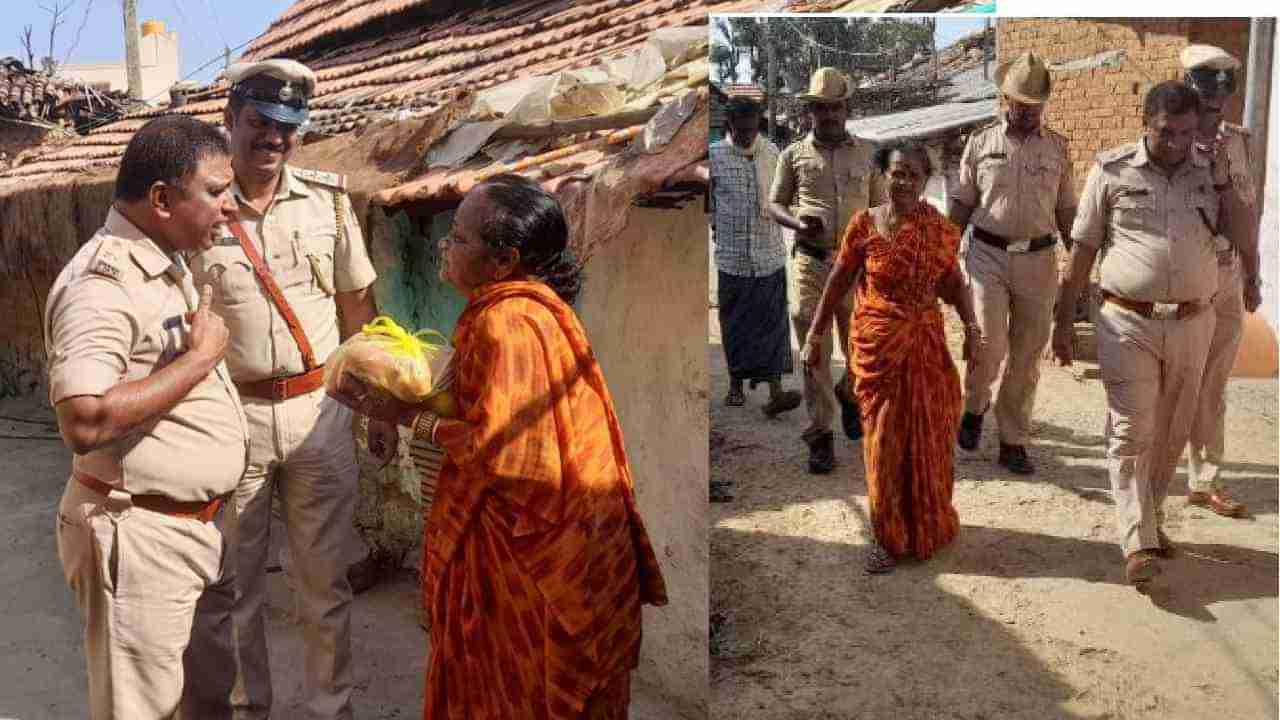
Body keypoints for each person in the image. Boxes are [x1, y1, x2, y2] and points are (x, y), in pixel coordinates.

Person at [329, 174, 668, 719]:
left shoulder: (505, 322)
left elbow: (508, 452)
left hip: (526, 551)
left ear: (504, 259)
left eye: (460, 238)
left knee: (512, 688)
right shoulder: (537, 309)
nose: (446, 245)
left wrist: (405, 416)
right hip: (567, 535)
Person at [187, 58, 389, 719]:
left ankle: (329, 708)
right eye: (258, 122)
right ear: (230, 121)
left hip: (320, 413)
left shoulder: (327, 201)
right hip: (230, 415)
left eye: (286, 125)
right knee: (234, 584)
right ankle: (252, 709)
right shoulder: (198, 210)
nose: (273, 137)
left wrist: (378, 402)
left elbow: (358, 306)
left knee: (323, 582)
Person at [45, 115, 245, 718]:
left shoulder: (165, 259)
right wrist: (201, 360)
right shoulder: (101, 283)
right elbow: (83, 421)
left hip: (196, 530)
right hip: (138, 535)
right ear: (162, 199)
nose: (230, 207)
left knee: (207, 700)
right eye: (215, 191)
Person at [1053, 81, 1223, 586]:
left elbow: (1239, 230)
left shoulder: (1209, 172)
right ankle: (1137, 539)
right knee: (1132, 429)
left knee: (1172, 429)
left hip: (1195, 319)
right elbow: (1082, 251)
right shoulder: (1111, 171)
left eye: (1187, 133)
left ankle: (1151, 517)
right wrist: (1063, 321)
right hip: (1127, 319)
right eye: (1166, 132)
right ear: (1144, 122)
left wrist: (1226, 181)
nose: (1176, 143)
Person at [802, 143, 982, 574]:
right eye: (897, 173)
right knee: (882, 443)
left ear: (925, 182)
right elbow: (839, 279)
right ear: (884, 175)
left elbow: (954, 283)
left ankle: (926, 526)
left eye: (913, 176)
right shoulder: (864, 224)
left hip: (924, 345)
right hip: (877, 344)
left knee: (930, 436)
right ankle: (886, 536)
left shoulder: (937, 229)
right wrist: (815, 333)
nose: (903, 182)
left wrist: (974, 329)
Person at [949, 51, 1077, 475]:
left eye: (1034, 104)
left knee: (1026, 355)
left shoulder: (1059, 148)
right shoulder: (981, 143)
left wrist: (1080, 259)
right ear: (1005, 100)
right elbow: (962, 203)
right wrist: (943, 251)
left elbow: (1066, 209)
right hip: (987, 255)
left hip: (1039, 260)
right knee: (989, 344)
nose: (1026, 111)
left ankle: (1013, 440)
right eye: (1019, 102)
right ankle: (975, 405)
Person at [769, 67, 879, 473]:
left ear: (846, 109)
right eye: (821, 109)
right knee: (812, 341)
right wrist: (798, 221)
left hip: (856, 267)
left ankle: (850, 393)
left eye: (836, 107)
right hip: (811, 261)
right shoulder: (792, 155)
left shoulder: (867, 154)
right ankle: (820, 434)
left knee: (860, 344)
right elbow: (775, 203)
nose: (829, 115)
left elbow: (882, 210)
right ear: (810, 112)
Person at [1180, 44, 1263, 518]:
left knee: (1214, 383)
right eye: (1205, 87)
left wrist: (1253, 275)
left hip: (1227, 273)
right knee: (1176, 380)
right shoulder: (1168, 139)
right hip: (1184, 276)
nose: (1216, 98)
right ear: (1189, 88)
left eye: (1224, 87)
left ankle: (1205, 479)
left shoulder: (1239, 141)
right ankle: (1152, 474)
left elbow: (1246, 211)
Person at [710, 95, 802, 416]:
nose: (747, 135)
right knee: (735, 325)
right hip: (733, 260)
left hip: (769, 256)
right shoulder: (715, 157)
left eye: (752, 129)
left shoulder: (772, 153)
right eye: (741, 130)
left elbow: (782, 201)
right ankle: (736, 385)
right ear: (730, 125)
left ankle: (776, 392)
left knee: (773, 326)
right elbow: (710, 205)